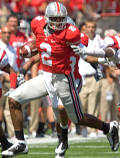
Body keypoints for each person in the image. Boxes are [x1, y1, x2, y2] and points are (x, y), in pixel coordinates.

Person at [2, 1, 119, 158]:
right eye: (55, 19)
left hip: (66, 78)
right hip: (46, 76)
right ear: (47, 19)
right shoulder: (38, 24)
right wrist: (28, 50)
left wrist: (103, 58)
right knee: (14, 98)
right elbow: (40, 42)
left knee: (75, 117)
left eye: (61, 19)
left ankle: (107, 127)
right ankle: (21, 142)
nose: (59, 23)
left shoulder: (71, 34)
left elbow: (86, 53)